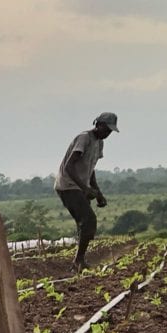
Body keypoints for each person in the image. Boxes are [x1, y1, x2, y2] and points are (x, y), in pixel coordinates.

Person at [55, 112, 118, 270]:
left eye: (110, 131)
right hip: (68, 185)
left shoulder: (99, 143)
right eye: (106, 129)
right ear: (98, 124)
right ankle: (78, 262)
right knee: (89, 221)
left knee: (85, 224)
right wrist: (85, 188)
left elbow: (91, 169)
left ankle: (78, 262)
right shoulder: (84, 138)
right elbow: (69, 166)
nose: (107, 133)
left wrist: (98, 193)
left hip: (80, 186)